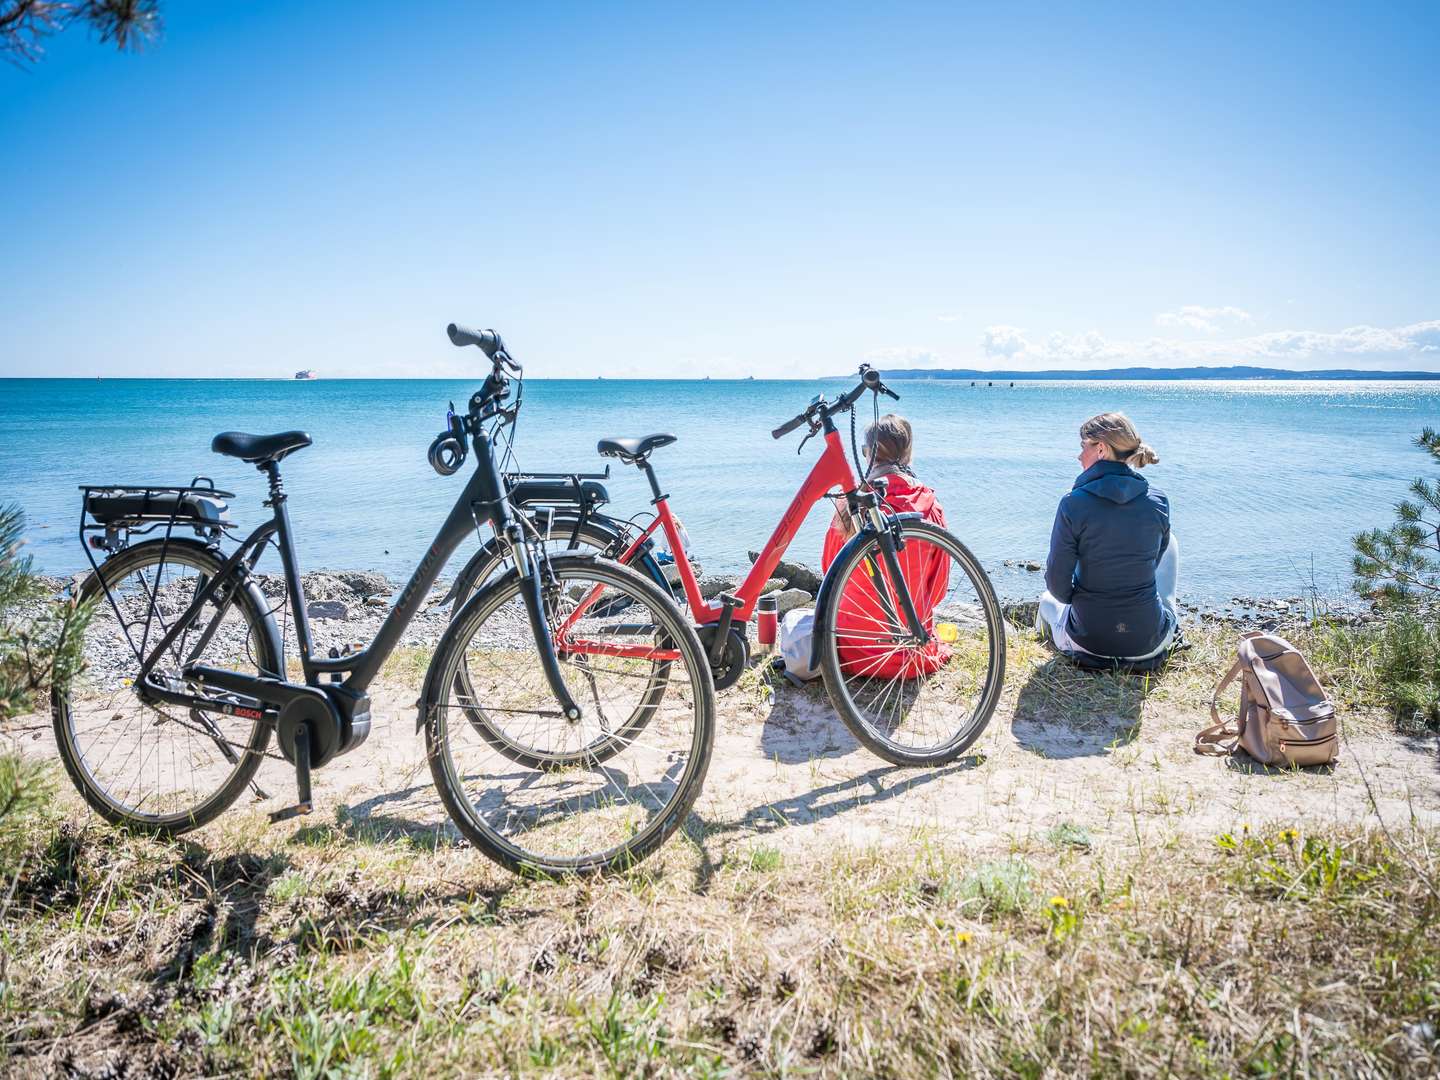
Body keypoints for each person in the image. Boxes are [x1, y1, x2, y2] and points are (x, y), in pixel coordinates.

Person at [1038, 412, 1179, 666]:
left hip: (1088, 643)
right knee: (1170, 547)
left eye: (1083, 447)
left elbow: (1057, 587)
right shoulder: (1158, 501)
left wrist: (1086, 600)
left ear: (1101, 449)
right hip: (1147, 643)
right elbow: (1154, 563)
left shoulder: (1072, 504)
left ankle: (1042, 642)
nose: (1079, 456)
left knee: (1046, 602)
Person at [821, 415, 950, 677]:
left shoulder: (851, 509)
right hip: (914, 655)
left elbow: (829, 574)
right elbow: (938, 589)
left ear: (867, 454)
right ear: (908, 455)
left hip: (851, 653)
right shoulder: (929, 508)